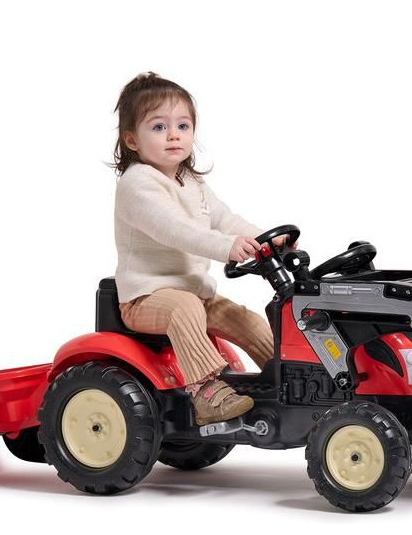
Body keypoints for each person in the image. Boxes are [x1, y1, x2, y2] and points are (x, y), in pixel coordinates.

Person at [109, 72, 294, 425]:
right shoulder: (137, 184)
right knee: (185, 308)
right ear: (132, 140)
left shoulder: (191, 181)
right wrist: (226, 247)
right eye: (159, 127)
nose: (174, 135)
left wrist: (265, 239)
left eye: (183, 126)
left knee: (246, 320)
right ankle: (206, 393)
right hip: (145, 298)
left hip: (195, 296)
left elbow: (225, 219)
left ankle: (287, 376)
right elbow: (174, 230)